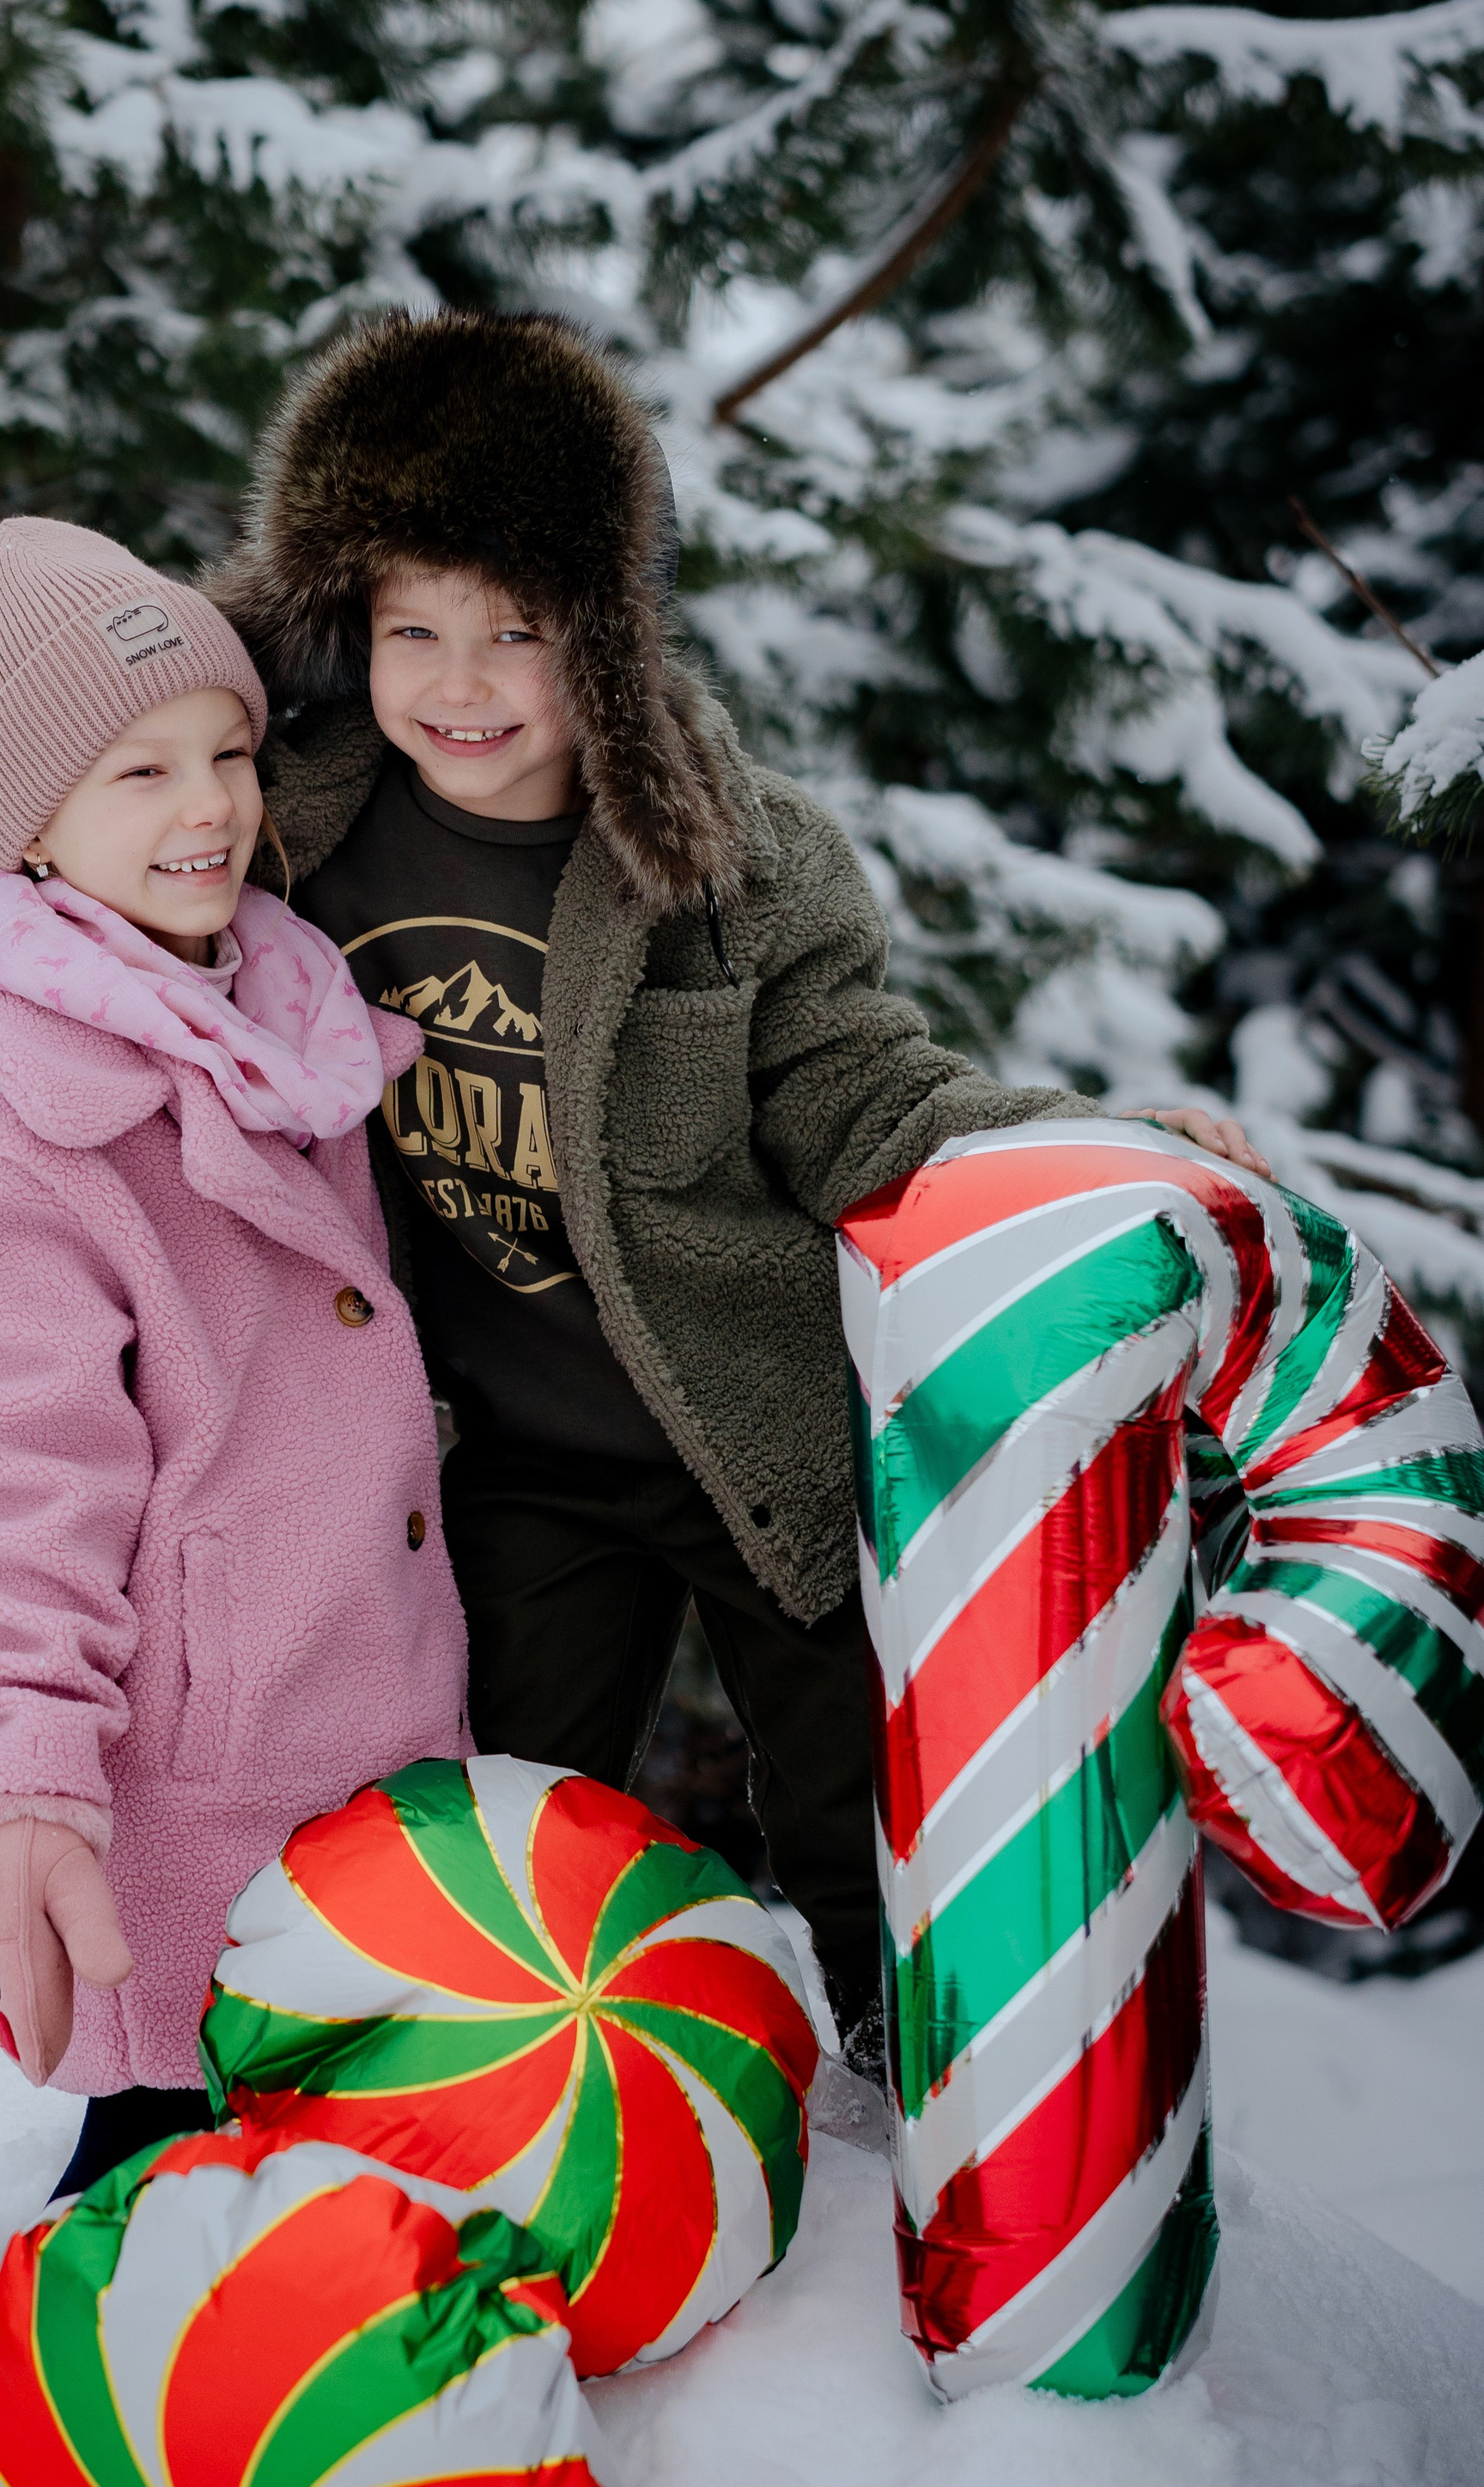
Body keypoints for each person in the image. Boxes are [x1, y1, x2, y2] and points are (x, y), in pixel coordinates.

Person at [208, 310, 1268, 2067]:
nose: (456, 682)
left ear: (607, 639)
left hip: (752, 1431)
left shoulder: (724, 854)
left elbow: (867, 1097)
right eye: (411, 629)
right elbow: (127, 855)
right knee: (495, 1800)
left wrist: (1093, 1141)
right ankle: (491, 2090)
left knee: (856, 1795)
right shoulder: (296, 828)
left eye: (515, 632)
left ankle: (910, 2082)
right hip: (502, 1454)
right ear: (345, 622)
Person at [0, 516, 466, 2210]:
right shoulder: (17, 1140)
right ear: (36, 831)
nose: (208, 807)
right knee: (158, 2186)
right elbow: (17, 1491)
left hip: (366, 1731)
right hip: (201, 1787)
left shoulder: (279, 1022)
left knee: (327, 2202)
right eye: (136, 771)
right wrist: (23, 1788)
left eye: (223, 753)